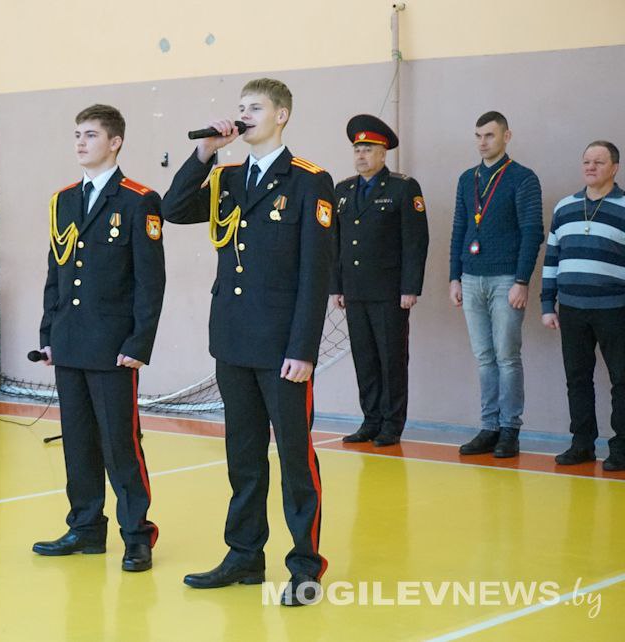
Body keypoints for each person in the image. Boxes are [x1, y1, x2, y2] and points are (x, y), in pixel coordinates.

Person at [163, 78, 334, 606]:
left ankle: (305, 566)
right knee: (243, 457)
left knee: (295, 460)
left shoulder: (309, 181)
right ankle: (244, 555)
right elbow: (173, 208)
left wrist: (303, 349)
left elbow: (315, 274)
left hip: (282, 346)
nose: (244, 115)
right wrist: (205, 153)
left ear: (281, 115)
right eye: (240, 107)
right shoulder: (228, 177)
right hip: (233, 339)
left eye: (255, 108)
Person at [33, 104, 165, 573]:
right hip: (70, 340)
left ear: (115, 142)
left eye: (90, 135)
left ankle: (136, 535)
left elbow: (150, 282)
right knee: (78, 442)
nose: (80, 143)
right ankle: (86, 527)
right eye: (77, 134)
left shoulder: (138, 200)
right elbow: (57, 271)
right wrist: (48, 334)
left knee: (120, 444)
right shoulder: (64, 200)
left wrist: (139, 343)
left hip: (113, 347)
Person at [330, 115, 429, 447]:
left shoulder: (403, 188)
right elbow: (335, 242)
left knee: (391, 360)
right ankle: (370, 420)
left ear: (383, 153)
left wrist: (410, 288)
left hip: (389, 292)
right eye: (357, 150)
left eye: (368, 149)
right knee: (365, 359)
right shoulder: (343, 190)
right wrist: (336, 286)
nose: (361, 155)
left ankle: (391, 424)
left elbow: (415, 241)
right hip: (355, 290)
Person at [449, 111, 543, 459]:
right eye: (478, 136)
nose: (482, 142)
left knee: (507, 356)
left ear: (506, 136)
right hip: (471, 278)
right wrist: (454, 276)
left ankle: (509, 429)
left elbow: (532, 232)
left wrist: (521, 280)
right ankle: (489, 426)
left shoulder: (522, 178)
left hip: (506, 280)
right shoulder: (467, 179)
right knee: (484, 357)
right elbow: (459, 229)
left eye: (489, 135)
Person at [542, 141, 625, 472]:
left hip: (614, 309)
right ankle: (582, 444)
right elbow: (552, 259)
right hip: (572, 310)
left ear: (614, 168)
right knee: (577, 379)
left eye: (599, 162)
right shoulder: (565, 207)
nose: (591, 167)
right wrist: (547, 304)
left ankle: (621, 449)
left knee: (622, 380)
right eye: (587, 161)